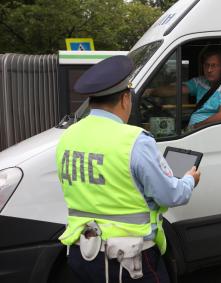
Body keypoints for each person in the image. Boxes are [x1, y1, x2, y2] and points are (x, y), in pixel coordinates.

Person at [55, 55, 201, 283]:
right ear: (125, 99)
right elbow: (171, 194)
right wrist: (189, 180)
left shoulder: (68, 136)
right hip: (128, 261)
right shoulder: (135, 141)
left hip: (81, 253)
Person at [150, 48, 221, 130]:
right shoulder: (200, 81)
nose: (209, 70)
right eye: (207, 65)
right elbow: (175, 90)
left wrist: (196, 127)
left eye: (214, 66)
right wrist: (150, 92)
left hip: (205, 131)